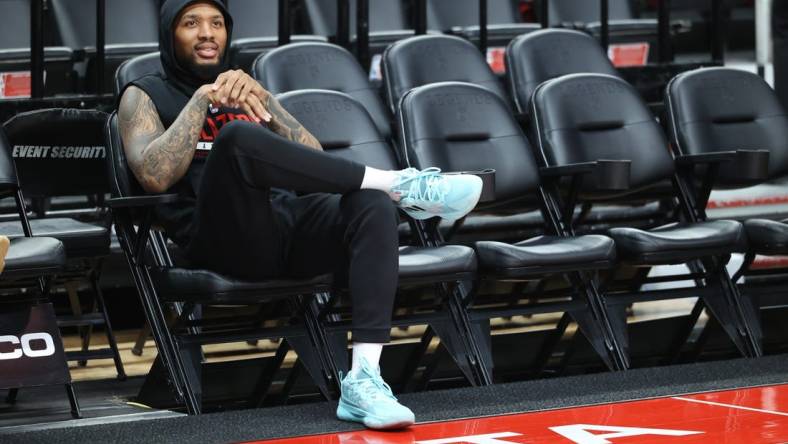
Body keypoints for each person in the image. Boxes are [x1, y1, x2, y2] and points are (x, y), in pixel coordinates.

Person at [117, 0, 483, 429]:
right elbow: (152, 176)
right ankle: (402, 184)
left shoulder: (246, 90)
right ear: (169, 34)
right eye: (191, 23)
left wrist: (267, 103)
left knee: (369, 203)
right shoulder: (142, 94)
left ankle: (364, 380)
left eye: (217, 23)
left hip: (280, 225)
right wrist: (200, 102)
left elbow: (315, 165)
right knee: (236, 139)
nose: (207, 34)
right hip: (217, 241)